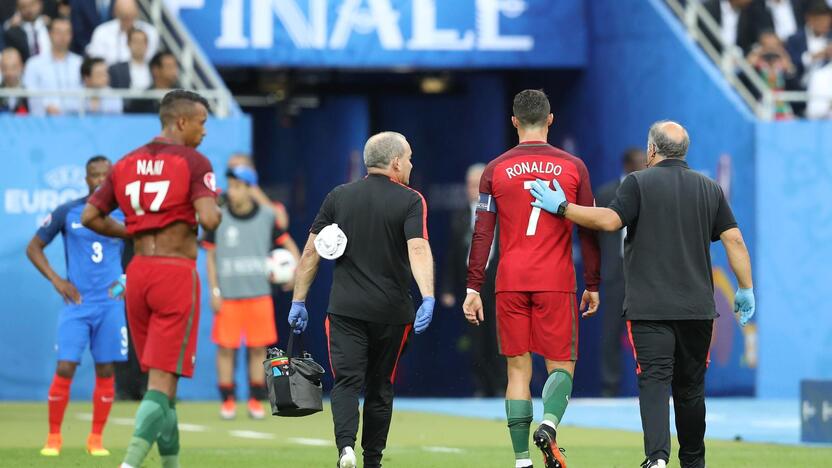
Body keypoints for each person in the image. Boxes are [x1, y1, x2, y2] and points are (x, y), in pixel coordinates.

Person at [529, 121, 755, 468]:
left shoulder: (638, 182)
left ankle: (657, 459)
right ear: (685, 151)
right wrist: (745, 288)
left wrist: (562, 208)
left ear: (652, 150)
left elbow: (608, 221)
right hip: (697, 310)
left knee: (654, 383)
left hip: (649, 310)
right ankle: (693, 461)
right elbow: (735, 240)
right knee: (691, 388)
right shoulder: (709, 188)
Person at [81, 89, 221, 468]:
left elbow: (89, 217)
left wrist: (134, 231)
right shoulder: (194, 162)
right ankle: (129, 464)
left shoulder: (125, 163)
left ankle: (170, 465)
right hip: (174, 272)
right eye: (201, 122)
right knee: (161, 385)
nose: (205, 131)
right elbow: (208, 219)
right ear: (181, 121)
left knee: (165, 387)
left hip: (138, 273)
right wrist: (214, 209)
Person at [463, 89, 600, 468]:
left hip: (509, 280)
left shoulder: (495, 170)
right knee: (561, 364)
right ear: (550, 119)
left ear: (514, 122)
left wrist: (474, 286)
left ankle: (522, 460)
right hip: (556, 279)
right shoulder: (574, 167)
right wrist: (593, 283)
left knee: (517, 370)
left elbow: (482, 232)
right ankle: (550, 425)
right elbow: (589, 228)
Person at [290, 131, 435, 468]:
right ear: (396, 162)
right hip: (392, 313)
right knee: (380, 387)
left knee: (346, 382)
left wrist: (299, 300)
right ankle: (373, 460)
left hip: (345, 310)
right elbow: (417, 247)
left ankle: (345, 449)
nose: (411, 164)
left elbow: (311, 252)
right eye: (409, 158)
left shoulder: (338, 197)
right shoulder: (412, 200)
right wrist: (427, 295)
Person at [26, 155, 126, 457]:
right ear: (86, 179)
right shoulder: (68, 211)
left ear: (112, 180)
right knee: (66, 366)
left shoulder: (125, 213)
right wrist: (58, 281)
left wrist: (125, 283)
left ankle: (96, 439)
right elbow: (34, 247)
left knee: (106, 369)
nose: (99, 180)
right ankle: (54, 437)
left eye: (104, 176)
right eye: (94, 175)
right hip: (78, 304)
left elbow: (144, 251)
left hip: (110, 306)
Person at [203, 165, 299, 420]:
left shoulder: (267, 216)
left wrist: (296, 272)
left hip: (258, 295)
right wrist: (214, 290)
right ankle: (228, 402)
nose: (232, 191)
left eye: (237, 186)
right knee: (226, 349)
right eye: (231, 185)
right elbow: (210, 257)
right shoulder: (218, 216)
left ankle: (255, 401)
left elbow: (288, 243)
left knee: (258, 349)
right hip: (229, 296)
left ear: (250, 189)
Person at [440, 163, 505, 397]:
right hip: (471, 285)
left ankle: (500, 385)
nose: (472, 189)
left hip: (497, 282)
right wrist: (447, 288)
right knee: (475, 338)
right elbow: (451, 255)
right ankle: (481, 385)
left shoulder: (501, 213)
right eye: (469, 185)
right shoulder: (459, 217)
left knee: (498, 335)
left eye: (477, 184)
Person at [595, 148, 645, 398]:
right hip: (615, 273)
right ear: (626, 165)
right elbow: (594, 235)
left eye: (645, 163)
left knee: (648, 331)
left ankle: (650, 384)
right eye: (638, 163)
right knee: (611, 331)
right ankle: (610, 386)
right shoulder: (605, 194)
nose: (643, 167)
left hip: (644, 274)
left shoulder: (652, 192)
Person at [21, 16, 82, 116]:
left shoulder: (79, 63)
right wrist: (46, 106)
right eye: (58, 32)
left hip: (75, 120)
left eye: (67, 32)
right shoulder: (34, 64)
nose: (62, 37)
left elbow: (84, 91)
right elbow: (31, 93)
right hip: (43, 121)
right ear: (50, 34)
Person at [85, 0, 157, 65]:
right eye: (123, 15)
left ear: (136, 12)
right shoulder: (101, 32)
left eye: (130, 15)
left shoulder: (149, 32)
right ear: (115, 13)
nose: (127, 19)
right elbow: (96, 62)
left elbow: (149, 61)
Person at [747, 30, 799, 118]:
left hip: (784, 112)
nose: (771, 53)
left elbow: (798, 94)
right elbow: (741, 88)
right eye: (767, 48)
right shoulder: (754, 68)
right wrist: (748, 65)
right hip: (758, 111)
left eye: (774, 48)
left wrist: (789, 67)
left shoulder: (786, 68)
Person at [785, 0, 832, 86]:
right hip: (802, 85)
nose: (824, 24)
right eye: (820, 21)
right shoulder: (795, 39)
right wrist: (813, 56)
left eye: (827, 21)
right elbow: (791, 67)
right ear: (809, 19)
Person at [702, 0, 775, 54]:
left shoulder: (750, 13)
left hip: (736, 65)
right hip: (710, 56)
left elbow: (750, 43)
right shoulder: (708, 8)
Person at [0, 47, 28, 114]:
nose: (9, 72)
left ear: (22, 66)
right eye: (5, 67)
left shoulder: (29, 92)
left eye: (14, 67)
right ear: (0, 68)